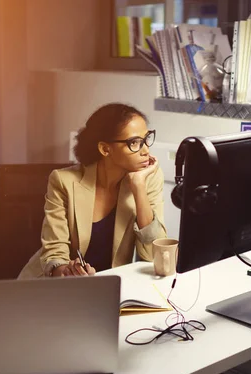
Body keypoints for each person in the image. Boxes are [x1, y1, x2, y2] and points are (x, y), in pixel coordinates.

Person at [19, 103, 167, 278]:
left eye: (146, 139)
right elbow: (54, 252)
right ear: (105, 149)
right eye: (134, 142)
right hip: (54, 287)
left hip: (109, 288)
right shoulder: (63, 181)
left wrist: (139, 187)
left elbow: (154, 256)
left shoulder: (147, 178)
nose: (146, 150)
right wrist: (67, 271)